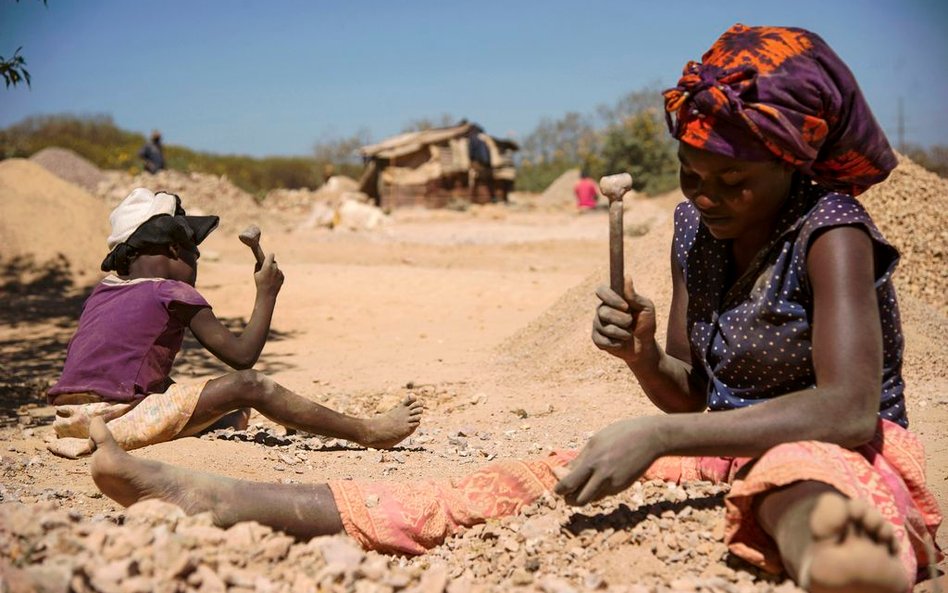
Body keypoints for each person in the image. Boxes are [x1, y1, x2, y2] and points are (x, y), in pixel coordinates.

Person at [86, 24, 941, 593]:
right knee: (491, 487)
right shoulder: (694, 233)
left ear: (795, 163)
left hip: (839, 452)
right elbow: (697, 396)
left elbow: (848, 405)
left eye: (733, 181)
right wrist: (646, 360)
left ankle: (842, 553)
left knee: (799, 485)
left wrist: (664, 436)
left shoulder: (833, 232)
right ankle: (209, 493)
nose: (707, 196)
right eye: (692, 174)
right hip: (721, 453)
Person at [47, 188, 422, 459]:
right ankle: (369, 432)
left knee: (182, 391)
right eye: (195, 253)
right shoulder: (172, 291)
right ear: (176, 248)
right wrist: (267, 293)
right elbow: (243, 359)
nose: (195, 263)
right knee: (250, 387)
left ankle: (225, 422)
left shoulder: (103, 291)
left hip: (70, 419)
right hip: (117, 418)